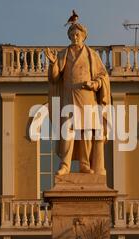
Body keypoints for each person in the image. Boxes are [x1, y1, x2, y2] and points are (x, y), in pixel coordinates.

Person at [45, 23, 111, 176]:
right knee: (67, 131)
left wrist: (95, 84)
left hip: (87, 97)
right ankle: (65, 165)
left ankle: (84, 164)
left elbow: (103, 76)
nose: (75, 37)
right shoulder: (63, 54)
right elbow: (54, 78)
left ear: (83, 36)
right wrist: (52, 63)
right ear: (69, 36)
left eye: (77, 35)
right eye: (72, 35)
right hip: (69, 97)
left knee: (86, 132)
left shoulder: (92, 55)